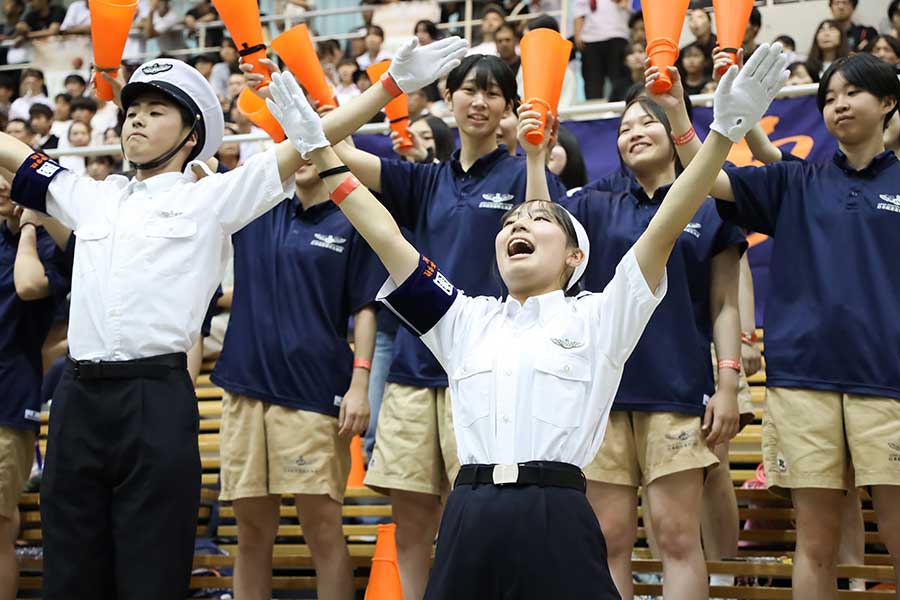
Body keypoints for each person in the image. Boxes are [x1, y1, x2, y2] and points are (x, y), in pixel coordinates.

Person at [260, 40, 789, 600]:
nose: (519, 223)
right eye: (511, 219)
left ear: (573, 257)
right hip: (468, 512)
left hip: (556, 511)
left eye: (539, 219)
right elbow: (384, 233)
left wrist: (722, 136)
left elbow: (667, 223)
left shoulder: (602, 315)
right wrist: (317, 148)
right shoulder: (464, 317)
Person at [0, 43, 468, 598]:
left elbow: (306, 143)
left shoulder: (214, 198)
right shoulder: (89, 196)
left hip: (155, 398)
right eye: (131, 112)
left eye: (155, 111)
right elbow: (11, 151)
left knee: (152, 571)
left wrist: (389, 86)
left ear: (192, 135)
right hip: (78, 401)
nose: (136, 122)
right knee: (69, 571)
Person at [246, 45, 559, 600]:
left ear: (510, 106)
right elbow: (330, 153)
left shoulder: (518, 175)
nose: (479, 102)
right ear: (447, 96)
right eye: (469, 89)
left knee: (486, 523)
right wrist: (316, 101)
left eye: (493, 93)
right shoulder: (424, 181)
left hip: (489, 372)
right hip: (416, 373)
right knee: (412, 525)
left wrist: (534, 159)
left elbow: (546, 234)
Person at [674, 51, 900, 600]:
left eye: (853, 93)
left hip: (889, 386)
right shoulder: (797, 181)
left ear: (889, 102)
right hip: (803, 385)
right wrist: (680, 114)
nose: (839, 105)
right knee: (815, 546)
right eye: (828, 98)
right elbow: (710, 181)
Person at [563, 86, 745, 599]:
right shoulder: (595, 205)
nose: (633, 134)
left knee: (677, 536)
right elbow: (539, 216)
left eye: (646, 123)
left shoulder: (710, 205)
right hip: (604, 397)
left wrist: (728, 383)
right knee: (608, 540)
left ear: (673, 133)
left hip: (677, 392)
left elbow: (726, 303)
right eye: (623, 128)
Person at [210, 155, 384, 600]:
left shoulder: (352, 222)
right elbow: (196, 171)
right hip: (245, 390)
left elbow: (366, 309)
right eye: (294, 147)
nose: (303, 158)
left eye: (313, 148)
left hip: (312, 396)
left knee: (321, 529)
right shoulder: (256, 211)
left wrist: (360, 384)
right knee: (250, 534)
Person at [0, 176, 68, 600]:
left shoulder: (51, 250)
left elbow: (29, 288)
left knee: (0, 526)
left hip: (8, 403)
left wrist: (28, 225)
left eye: (10, 181)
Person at [574, 0, 631, 100]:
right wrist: (578, 35)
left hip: (617, 34)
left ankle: (624, 109)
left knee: (619, 79)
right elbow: (579, 11)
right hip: (590, 38)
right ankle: (593, 114)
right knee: (592, 83)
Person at [686, 7, 716, 75]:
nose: (695, 22)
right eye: (691, 19)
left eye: (700, 17)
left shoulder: (720, 46)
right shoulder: (686, 51)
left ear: (709, 22)